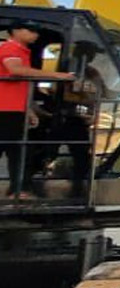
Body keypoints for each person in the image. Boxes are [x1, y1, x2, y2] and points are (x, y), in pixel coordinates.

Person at [0, 21, 74, 198]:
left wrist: (29, 110)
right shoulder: (10, 49)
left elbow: (19, 87)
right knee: (16, 151)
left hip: (14, 109)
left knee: (18, 151)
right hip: (5, 110)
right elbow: (16, 71)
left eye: (37, 31)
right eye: (31, 30)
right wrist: (58, 76)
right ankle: (19, 191)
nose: (36, 34)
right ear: (16, 30)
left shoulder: (22, 52)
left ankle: (19, 190)